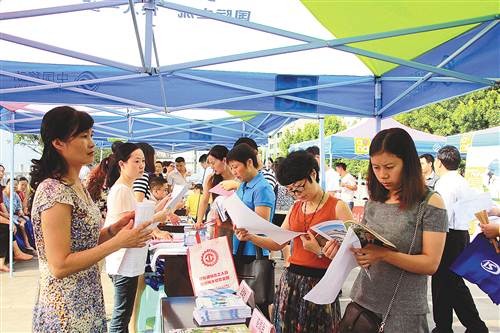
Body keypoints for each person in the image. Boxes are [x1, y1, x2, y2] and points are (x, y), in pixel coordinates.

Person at [30, 106, 154, 332]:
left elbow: (82, 242)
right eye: (83, 136)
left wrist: (113, 231)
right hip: (64, 308)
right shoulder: (53, 191)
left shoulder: (77, 186)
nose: (91, 144)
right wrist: (118, 243)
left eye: (91, 135)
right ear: (58, 143)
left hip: (87, 297)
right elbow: (60, 265)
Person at [235, 150, 353, 332]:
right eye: (291, 191)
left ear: (313, 174)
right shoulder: (297, 207)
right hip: (291, 283)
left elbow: (351, 257)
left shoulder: (338, 207)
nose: (297, 194)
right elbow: (277, 243)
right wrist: (250, 236)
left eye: (300, 187)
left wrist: (319, 251)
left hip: (321, 286)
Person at [349, 128, 448, 333]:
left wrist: (385, 255)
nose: (382, 175)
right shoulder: (375, 199)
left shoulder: (430, 203)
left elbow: (431, 263)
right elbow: (366, 247)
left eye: (389, 167)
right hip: (364, 300)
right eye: (376, 167)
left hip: (403, 311)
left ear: (408, 163)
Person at [104, 142, 170, 333]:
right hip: (123, 259)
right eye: (136, 161)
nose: (141, 165)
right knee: (121, 315)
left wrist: (159, 211)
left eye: (142, 161)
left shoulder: (126, 187)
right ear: (122, 164)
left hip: (127, 259)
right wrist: (158, 216)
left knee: (123, 314)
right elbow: (130, 226)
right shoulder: (122, 190)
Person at [431, 145, 489, 333]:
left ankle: (472, 326)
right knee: (449, 283)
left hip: (448, 235)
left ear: (439, 162)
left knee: (446, 283)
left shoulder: (445, 183)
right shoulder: (462, 181)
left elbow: (442, 215)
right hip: (460, 235)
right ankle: (447, 326)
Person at [226, 143, 276, 317]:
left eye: (235, 167)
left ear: (249, 162)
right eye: (231, 168)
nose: (233, 172)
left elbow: (260, 223)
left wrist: (242, 223)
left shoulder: (262, 187)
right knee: (241, 304)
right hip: (239, 247)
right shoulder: (242, 186)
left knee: (256, 305)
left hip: (255, 251)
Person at [194, 145, 236, 244]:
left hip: (233, 223)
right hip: (215, 222)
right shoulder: (211, 178)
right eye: (210, 164)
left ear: (224, 160)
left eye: (213, 163)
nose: (212, 167)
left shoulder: (237, 179)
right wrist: (199, 220)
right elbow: (204, 200)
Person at [3, 178, 35, 251]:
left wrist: (20, 211)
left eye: (16, 185)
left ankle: (31, 243)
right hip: (7, 216)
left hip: (15, 215)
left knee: (27, 220)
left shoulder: (15, 195)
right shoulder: (2, 195)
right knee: (20, 225)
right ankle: (24, 246)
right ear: (7, 184)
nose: (14, 186)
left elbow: (19, 207)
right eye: (13, 184)